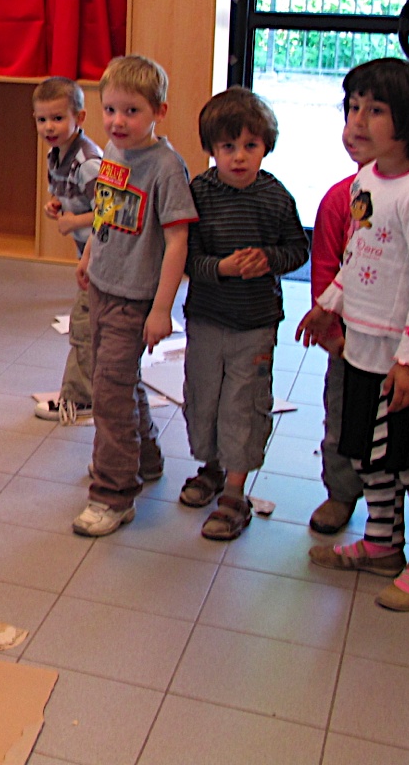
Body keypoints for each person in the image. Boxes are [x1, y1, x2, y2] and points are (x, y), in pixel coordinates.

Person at [299, 58, 409, 611]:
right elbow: (359, 253)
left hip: (407, 361)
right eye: (352, 108)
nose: (357, 121)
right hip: (364, 352)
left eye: (374, 110)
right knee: (370, 459)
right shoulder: (366, 180)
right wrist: (329, 305)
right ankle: (382, 545)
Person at [72, 55, 197, 538]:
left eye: (131, 111)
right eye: (110, 110)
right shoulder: (112, 151)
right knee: (117, 380)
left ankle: (113, 493)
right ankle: (144, 458)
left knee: (108, 393)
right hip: (103, 285)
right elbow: (106, 210)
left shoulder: (166, 168)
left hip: (135, 297)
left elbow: (178, 241)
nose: (117, 122)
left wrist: (162, 309)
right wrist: (89, 256)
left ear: (158, 112)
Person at [178, 88, 308, 540]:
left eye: (250, 145)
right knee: (204, 397)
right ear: (211, 148)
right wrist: (222, 268)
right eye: (227, 146)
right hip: (206, 318)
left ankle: (235, 492)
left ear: (265, 147)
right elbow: (186, 258)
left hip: (255, 323)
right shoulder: (199, 193)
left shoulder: (276, 197)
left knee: (244, 404)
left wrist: (269, 259)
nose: (238, 156)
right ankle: (212, 468)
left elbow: (298, 251)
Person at [31, 77, 102, 425]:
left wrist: (74, 222)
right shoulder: (55, 154)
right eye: (42, 119)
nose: (49, 127)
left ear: (79, 117)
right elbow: (62, 193)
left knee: (84, 327)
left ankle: (81, 398)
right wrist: (56, 206)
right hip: (87, 252)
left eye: (58, 118)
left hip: (103, 253)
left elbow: (109, 212)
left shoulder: (88, 162)